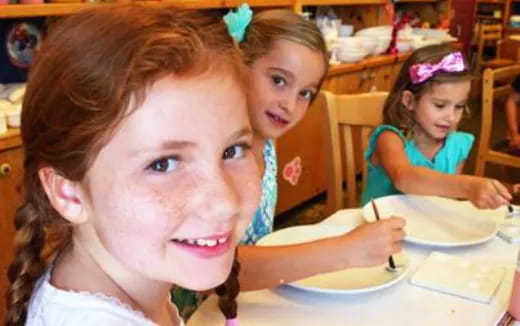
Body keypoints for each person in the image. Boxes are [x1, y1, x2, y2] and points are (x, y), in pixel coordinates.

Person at [5, 5, 261, 326]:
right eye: (163, 164)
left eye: (233, 150)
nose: (223, 202)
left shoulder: (122, 281)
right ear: (69, 192)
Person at [172, 7, 406, 321]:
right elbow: (213, 273)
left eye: (305, 93)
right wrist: (344, 251)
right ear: (238, 64)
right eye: (279, 80)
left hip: (249, 304)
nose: (290, 104)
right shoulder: (213, 156)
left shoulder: (265, 145)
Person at [361, 44, 511, 209]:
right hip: (376, 231)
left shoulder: (457, 145)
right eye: (440, 105)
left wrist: (500, 193)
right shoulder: (389, 138)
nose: (451, 117)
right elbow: (403, 177)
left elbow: (447, 202)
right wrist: (468, 186)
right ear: (409, 101)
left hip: (423, 230)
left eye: (459, 106)